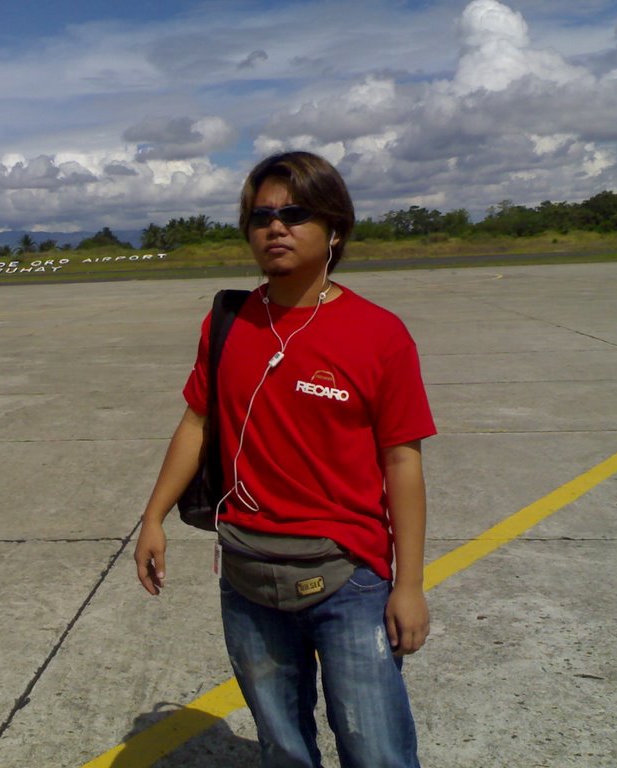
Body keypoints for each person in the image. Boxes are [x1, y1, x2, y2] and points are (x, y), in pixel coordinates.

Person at [133, 151, 435, 768]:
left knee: (376, 752)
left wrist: (409, 585)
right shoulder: (229, 323)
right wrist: (153, 517)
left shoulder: (379, 334)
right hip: (246, 575)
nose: (276, 227)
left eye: (296, 213)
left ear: (335, 230)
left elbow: (403, 463)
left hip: (348, 578)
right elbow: (196, 421)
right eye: (261, 216)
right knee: (284, 750)